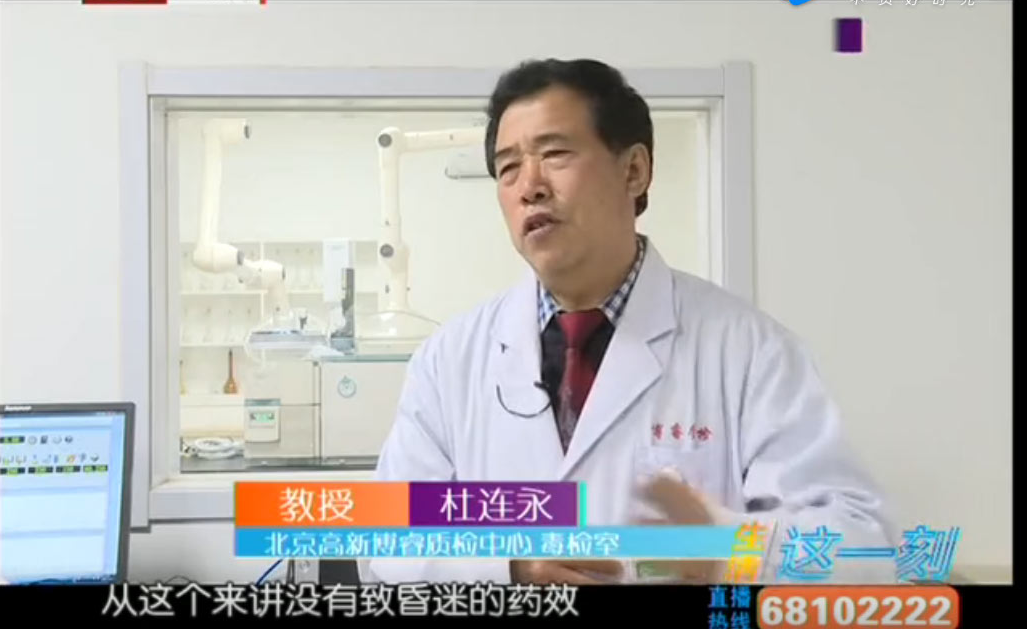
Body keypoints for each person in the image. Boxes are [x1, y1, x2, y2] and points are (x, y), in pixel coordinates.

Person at [359, 58, 896, 585]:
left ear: (634, 170)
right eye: (508, 167)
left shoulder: (752, 352)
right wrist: (508, 565)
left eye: (555, 153)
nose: (529, 186)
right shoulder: (450, 359)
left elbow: (865, 550)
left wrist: (727, 549)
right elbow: (388, 538)